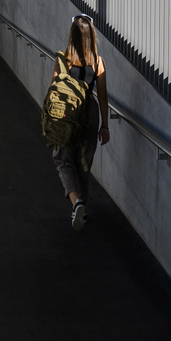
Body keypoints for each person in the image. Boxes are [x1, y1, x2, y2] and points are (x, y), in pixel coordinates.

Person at [51, 13, 109, 230]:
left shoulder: (62, 59)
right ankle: (82, 209)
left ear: (72, 35)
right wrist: (105, 126)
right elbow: (102, 96)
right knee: (84, 162)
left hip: (68, 112)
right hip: (90, 112)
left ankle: (77, 204)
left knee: (63, 159)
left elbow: (54, 91)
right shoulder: (99, 62)